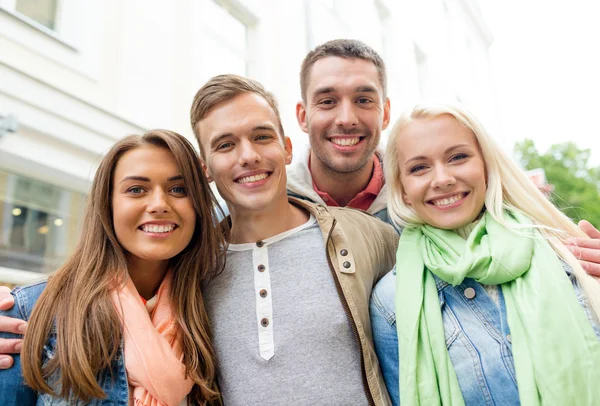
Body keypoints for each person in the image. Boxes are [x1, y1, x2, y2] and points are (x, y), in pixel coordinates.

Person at [370, 103, 600, 405]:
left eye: (458, 157)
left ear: (487, 167)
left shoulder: (566, 250)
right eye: (419, 167)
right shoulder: (391, 300)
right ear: (402, 190)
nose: (442, 179)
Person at [189, 74, 398, 405]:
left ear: (286, 149)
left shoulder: (370, 237)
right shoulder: (192, 272)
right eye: (225, 145)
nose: (248, 156)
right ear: (206, 169)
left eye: (261, 136)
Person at [0, 130, 226, 405]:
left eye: (179, 189)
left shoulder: (215, 309)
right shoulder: (29, 311)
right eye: (136, 190)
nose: (158, 204)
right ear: (107, 205)